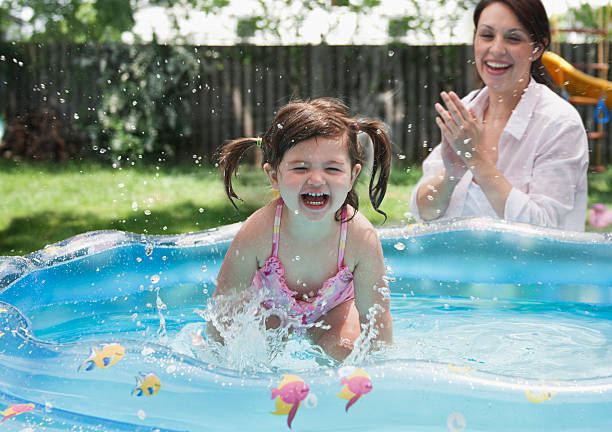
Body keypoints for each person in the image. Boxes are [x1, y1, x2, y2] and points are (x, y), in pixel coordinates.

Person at [207, 98, 393, 361]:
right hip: (271, 309)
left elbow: (377, 319)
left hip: (335, 309)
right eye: (300, 167)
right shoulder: (259, 231)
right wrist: (214, 355)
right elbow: (224, 306)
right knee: (252, 356)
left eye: (332, 168)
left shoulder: (359, 237)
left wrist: (383, 374)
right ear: (274, 176)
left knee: (345, 352)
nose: (316, 180)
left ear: (352, 176)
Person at [410, 0, 589, 231]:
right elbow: (423, 213)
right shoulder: (467, 110)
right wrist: (450, 176)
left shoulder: (559, 123)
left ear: (538, 47)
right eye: (487, 35)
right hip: (460, 264)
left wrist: (477, 161)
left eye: (513, 38)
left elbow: (546, 231)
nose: (496, 49)